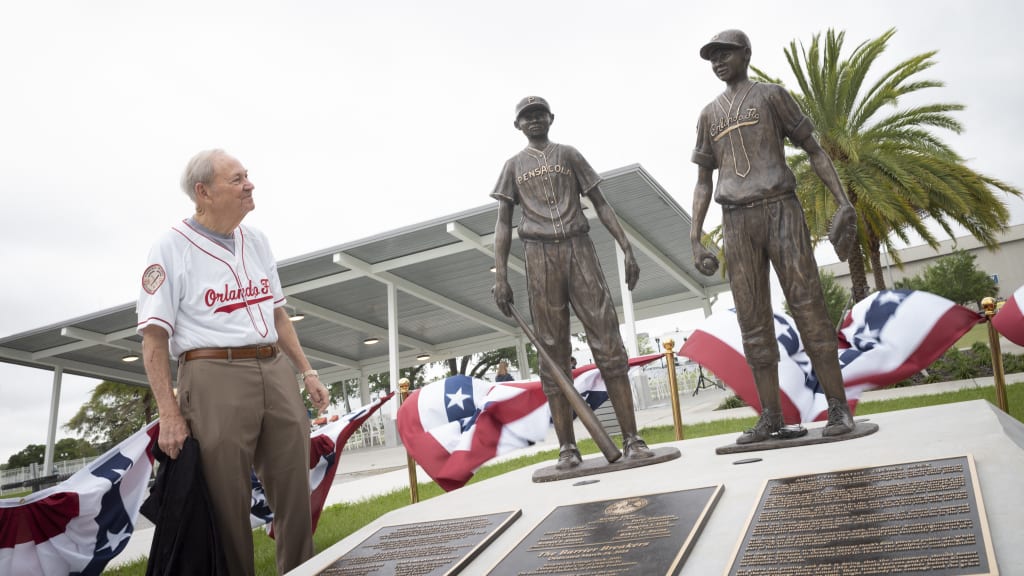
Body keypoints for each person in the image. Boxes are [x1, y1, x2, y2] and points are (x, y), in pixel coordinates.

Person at [138, 149, 330, 576]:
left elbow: (278, 313)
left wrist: (307, 371)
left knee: (295, 492)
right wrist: (169, 414)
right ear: (203, 192)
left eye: (248, 176)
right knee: (227, 505)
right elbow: (154, 339)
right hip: (212, 375)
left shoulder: (256, 239)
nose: (249, 185)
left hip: (273, 367)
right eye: (237, 178)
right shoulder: (170, 246)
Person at [689, 30, 857, 444]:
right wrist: (694, 235)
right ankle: (771, 417)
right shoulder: (709, 114)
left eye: (725, 53)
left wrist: (843, 201)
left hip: (780, 207)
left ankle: (838, 406)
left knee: (808, 303)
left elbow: (814, 149)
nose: (718, 62)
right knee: (751, 318)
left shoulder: (771, 95)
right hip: (735, 220)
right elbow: (703, 181)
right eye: (713, 57)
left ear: (746, 54)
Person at [492, 96, 654, 469]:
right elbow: (502, 223)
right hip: (539, 255)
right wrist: (501, 276)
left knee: (607, 339)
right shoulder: (513, 166)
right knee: (552, 353)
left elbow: (600, 202)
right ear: (518, 125)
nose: (533, 121)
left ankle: (632, 438)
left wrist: (626, 247)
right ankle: (567, 447)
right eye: (526, 117)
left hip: (579, 249)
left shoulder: (569, 155)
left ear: (551, 118)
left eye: (539, 115)